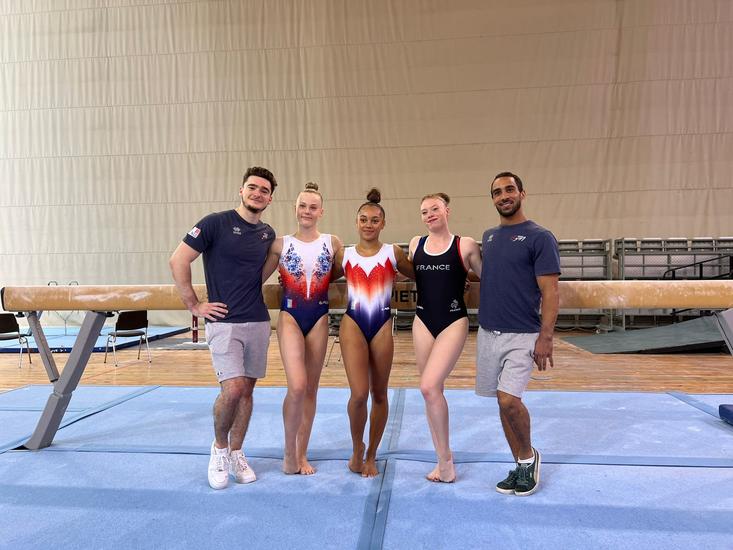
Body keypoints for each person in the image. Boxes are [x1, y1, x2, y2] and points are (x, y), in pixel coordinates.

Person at [169, 166, 277, 490]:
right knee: (232, 390)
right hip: (224, 322)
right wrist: (194, 305)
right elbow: (178, 260)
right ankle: (219, 449)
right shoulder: (215, 223)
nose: (257, 193)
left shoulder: (267, 234)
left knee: (247, 391)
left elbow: (260, 275)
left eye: (264, 190)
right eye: (252, 187)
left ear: (270, 199)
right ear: (241, 190)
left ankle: (237, 452)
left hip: (257, 320)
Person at [477, 171, 560, 496]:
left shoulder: (540, 237)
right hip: (488, 332)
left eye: (509, 189)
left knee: (509, 400)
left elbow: (551, 292)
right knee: (501, 403)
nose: (504, 196)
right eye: (497, 192)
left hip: (522, 334)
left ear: (522, 194)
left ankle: (529, 456)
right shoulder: (489, 237)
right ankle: (520, 465)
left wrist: (546, 337)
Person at [262, 182, 343, 475]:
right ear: (294, 209)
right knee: (296, 386)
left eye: (313, 207)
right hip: (291, 316)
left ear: (321, 212)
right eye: (302, 206)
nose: (307, 211)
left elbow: (345, 271)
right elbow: (256, 278)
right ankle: (288, 450)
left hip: (319, 317)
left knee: (310, 389)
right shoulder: (280, 244)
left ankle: (302, 452)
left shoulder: (332, 243)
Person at [332, 188, 413, 477]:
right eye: (364, 220)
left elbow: (424, 275)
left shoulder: (394, 252)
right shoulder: (344, 255)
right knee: (358, 394)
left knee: (379, 393)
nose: (369, 224)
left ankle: (371, 454)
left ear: (383, 223)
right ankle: (357, 448)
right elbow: (320, 279)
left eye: (374, 220)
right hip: (353, 321)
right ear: (356, 222)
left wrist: (459, 280)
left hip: (381, 322)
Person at [408, 193, 482, 483]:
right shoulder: (416, 244)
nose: (429, 214)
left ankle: (446, 462)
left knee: (428, 386)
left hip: (453, 321)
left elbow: (489, 278)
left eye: (435, 209)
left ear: (447, 211)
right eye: (424, 211)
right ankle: (442, 460)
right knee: (431, 391)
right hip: (422, 320)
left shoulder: (465, 245)